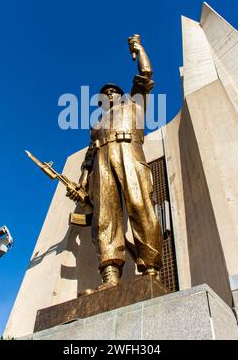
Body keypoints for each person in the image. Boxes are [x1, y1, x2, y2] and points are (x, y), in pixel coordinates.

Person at [67, 35, 163, 292]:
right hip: (101, 160)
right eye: (105, 93)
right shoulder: (96, 124)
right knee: (105, 218)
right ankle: (110, 277)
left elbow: (145, 73)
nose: (109, 93)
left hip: (129, 152)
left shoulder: (134, 103)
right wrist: (83, 180)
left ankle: (150, 268)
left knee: (140, 205)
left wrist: (138, 48)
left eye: (114, 90)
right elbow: (89, 154)